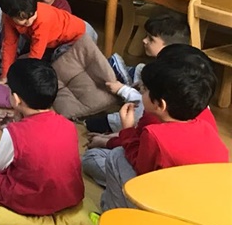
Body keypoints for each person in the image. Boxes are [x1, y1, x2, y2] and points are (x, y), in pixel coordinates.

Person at [81, 45, 228, 211]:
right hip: (203, 205)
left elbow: (140, 169)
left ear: (160, 105)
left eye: (145, 91)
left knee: (116, 156)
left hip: (165, 207)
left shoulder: (154, 134)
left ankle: (110, 214)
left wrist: (127, 130)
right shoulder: (204, 125)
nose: (141, 93)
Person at [0, 59, 84, 216]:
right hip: (68, 196)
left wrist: (11, 132)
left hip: (28, 199)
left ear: (16, 99)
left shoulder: (15, 132)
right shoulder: (68, 125)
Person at [0, 0, 86, 76]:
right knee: (17, 64)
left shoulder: (43, 20)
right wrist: (5, 75)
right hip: (51, 41)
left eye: (32, 15)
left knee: (57, 66)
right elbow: (9, 44)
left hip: (77, 36)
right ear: (9, 15)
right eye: (22, 19)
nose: (29, 22)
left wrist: (26, 77)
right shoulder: (8, 19)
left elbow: (36, 54)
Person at [106, 9, 190, 89]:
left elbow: (146, 98)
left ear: (169, 47)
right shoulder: (168, 63)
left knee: (112, 62)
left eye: (151, 39)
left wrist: (122, 89)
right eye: (146, 36)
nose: (144, 40)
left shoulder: (166, 74)